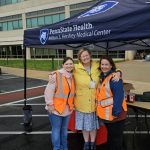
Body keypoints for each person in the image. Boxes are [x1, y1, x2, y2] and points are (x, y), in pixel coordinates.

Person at [73, 48, 121, 150]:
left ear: (90, 56)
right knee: (84, 126)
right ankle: (86, 143)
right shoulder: (75, 68)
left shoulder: (96, 66)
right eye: (83, 56)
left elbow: (108, 68)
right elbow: (64, 70)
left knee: (93, 125)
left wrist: (118, 72)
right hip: (81, 102)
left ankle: (93, 142)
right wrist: (52, 74)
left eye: (87, 55)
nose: (85, 57)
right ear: (80, 58)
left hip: (95, 102)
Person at [96, 56, 127, 150]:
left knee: (116, 141)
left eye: (106, 64)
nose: (104, 66)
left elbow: (119, 97)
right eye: (102, 64)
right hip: (108, 116)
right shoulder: (103, 77)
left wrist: (115, 113)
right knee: (112, 139)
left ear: (111, 66)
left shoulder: (114, 78)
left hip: (116, 116)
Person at [44, 57, 75, 150]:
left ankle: (64, 147)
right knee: (56, 130)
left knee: (64, 131)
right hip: (55, 109)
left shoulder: (72, 76)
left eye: (71, 64)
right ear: (63, 65)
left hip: (67, 109)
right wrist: (50, 104)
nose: (69, 66)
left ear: (73, 65)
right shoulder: (56, 75)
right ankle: (57, 148)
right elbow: (48, 91)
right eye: (66, 64)